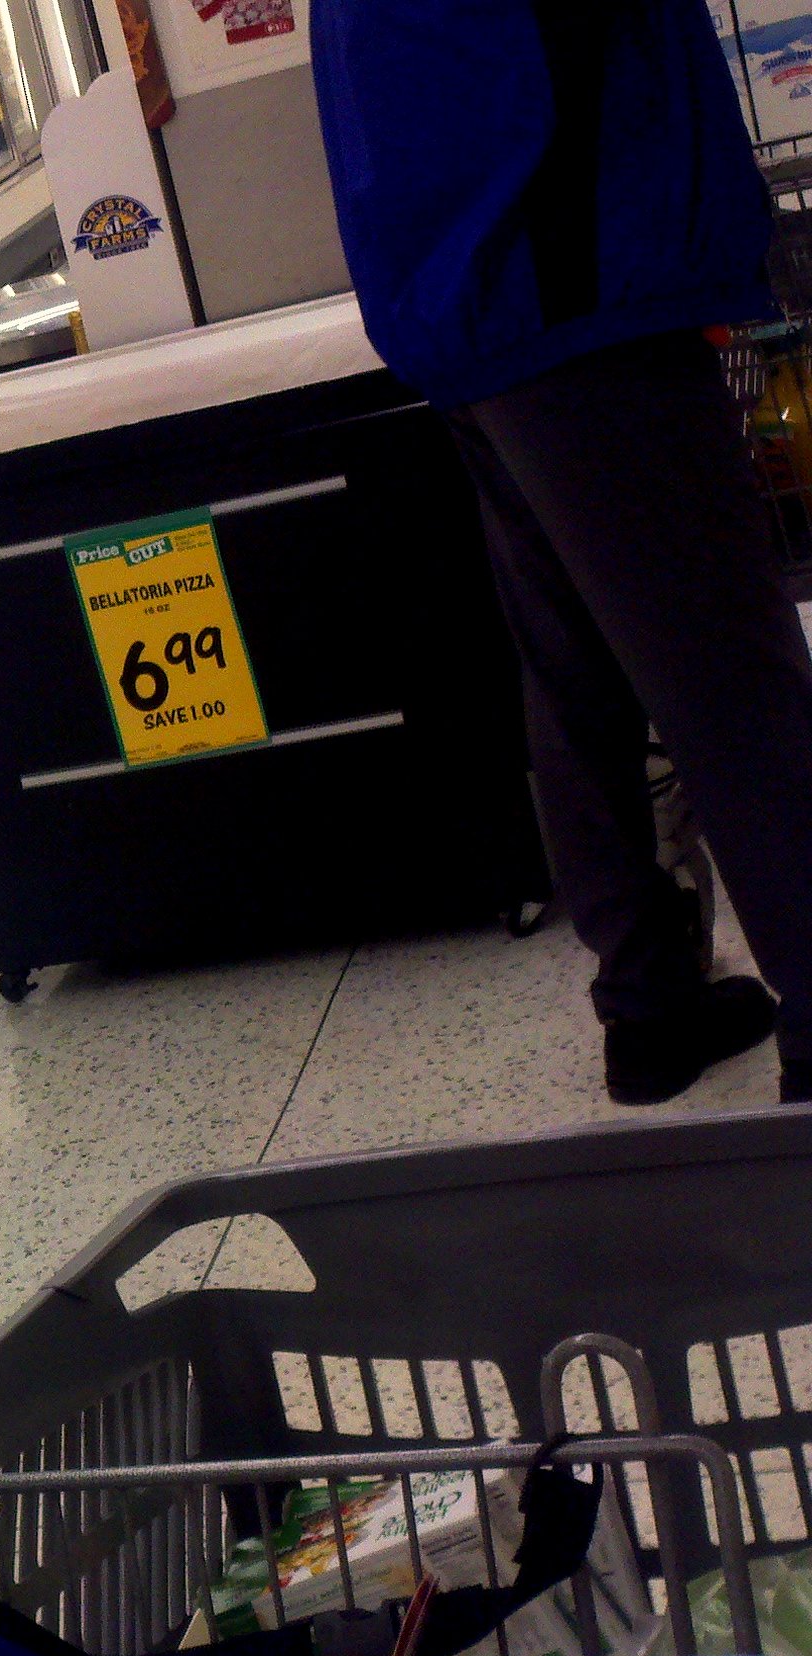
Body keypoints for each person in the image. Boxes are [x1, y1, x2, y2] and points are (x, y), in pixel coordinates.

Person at [312, 0, 812, 1105]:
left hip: (472, 289)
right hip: (581, 271)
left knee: (575, 667)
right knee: (728, 669)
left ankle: (649, 1001)